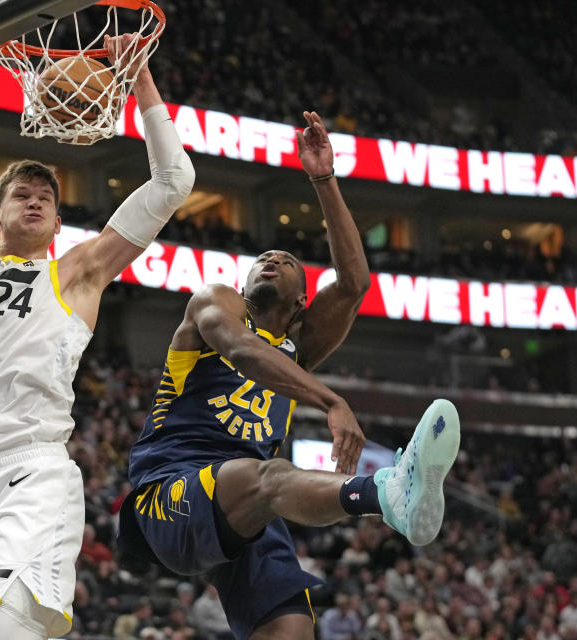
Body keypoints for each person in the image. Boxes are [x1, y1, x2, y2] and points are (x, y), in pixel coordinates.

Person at [117, 112, 461, 640]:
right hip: (172, 488)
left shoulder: (298, 348)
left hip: (249, 506)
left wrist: (323, 180)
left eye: (286, 259)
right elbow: (242, 349)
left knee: (293, 628)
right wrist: (331, 402)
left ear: (303, 299)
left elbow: (353, 283)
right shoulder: (216, 304)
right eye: (263, 258)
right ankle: (388, 493)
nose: (271, 259)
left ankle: (393, 494)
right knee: (269, 477)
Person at [0, 32, 193, 640]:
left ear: (59, 221)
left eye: (45, 197)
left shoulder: (78, 272)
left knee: (8, 630)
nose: (33, 201)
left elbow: (174, 180)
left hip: (33, 474)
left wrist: (136, 74)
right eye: (20, 194)